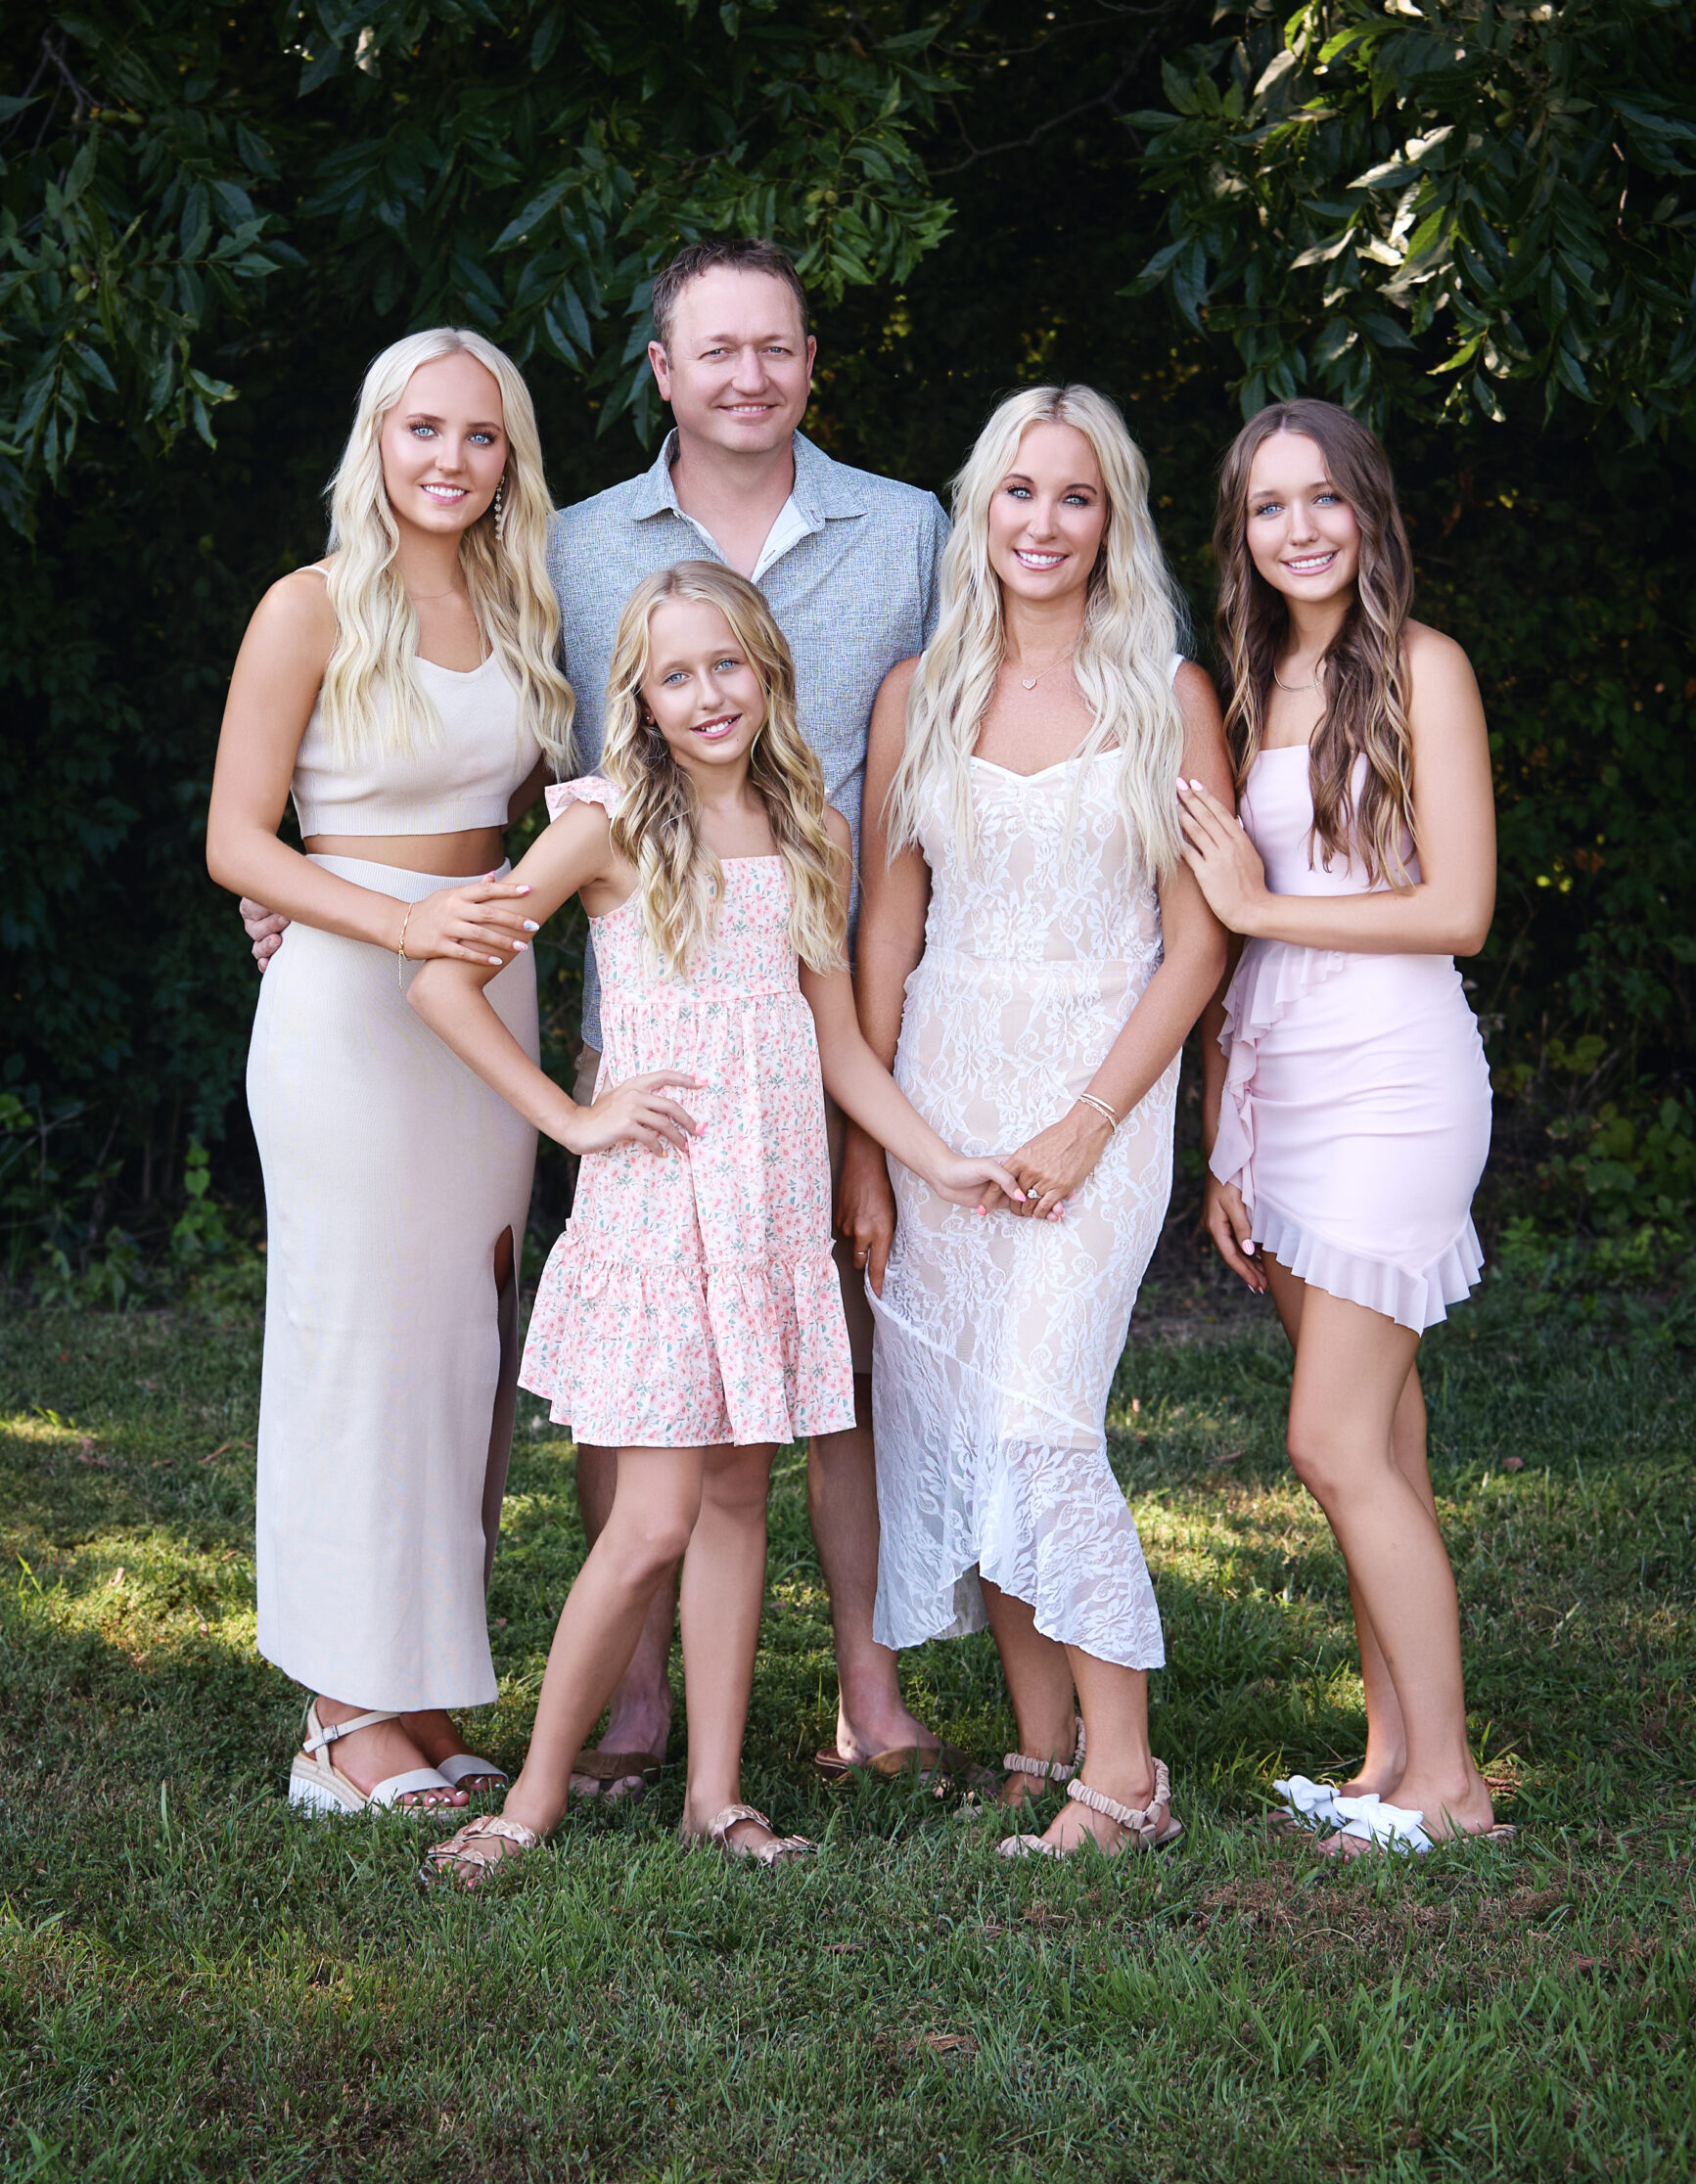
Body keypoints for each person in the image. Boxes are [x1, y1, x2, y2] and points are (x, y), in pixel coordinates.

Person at [241, 235, 956, 1795]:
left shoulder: (892, 535)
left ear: (812, 360)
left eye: (777, 346)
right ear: (662, 371)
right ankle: (501, 1709)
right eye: (717, 349)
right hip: (555, 1007)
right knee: (491, 1355)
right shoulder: (549, 554)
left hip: (783, 975)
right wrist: (336, 891)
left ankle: (844, 1691)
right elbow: (402, 802)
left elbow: (508, 785)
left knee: (676, 1349)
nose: (748, 374)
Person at [406, 565, 1022, 1884]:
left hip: (772, 1202)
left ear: (769, 672)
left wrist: (936, 1160)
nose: (706, 696)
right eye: (675, 674)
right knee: (650, 1520)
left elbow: (838, 1040)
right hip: (660, 1202)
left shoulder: (811, 828)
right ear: (638, 694)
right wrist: (567, 1121)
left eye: (726, 666)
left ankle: (716, 1796)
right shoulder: (609, 820)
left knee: (742, 1494)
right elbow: (444, 984)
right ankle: (526, 1803)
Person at [847, 386, 1229, 1857]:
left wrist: (1086, 1121)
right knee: (951, 1418)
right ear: (977, 510)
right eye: (1017, 493)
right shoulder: (916, 691)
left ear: (1110, 517)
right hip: (943, 1088)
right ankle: (1035, 1739)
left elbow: (1195, 947)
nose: (1042, 523)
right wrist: (869, 1143)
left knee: (1040, 1420)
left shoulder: (1166, 696)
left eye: (1074, 497)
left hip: (1101, 1087)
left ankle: (1125, 1783)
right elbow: (888, 930)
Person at [206, 329, 575, 1813]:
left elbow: (554, 808)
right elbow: (238, 841)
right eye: (422, 429)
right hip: (352, 1006)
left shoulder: (521, 601)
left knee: (458, 1352)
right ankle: (337, 1720)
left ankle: (415, 1694)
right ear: (376, 441)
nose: (449, 458)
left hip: (490, 994)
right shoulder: (307, 607)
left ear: (509, 461)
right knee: (354, 1343)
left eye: (479, 437)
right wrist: (391, 916)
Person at [1178, 397, 1505, 1858]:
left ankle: (1455, 1789)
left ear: (1364, 509)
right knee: (1387, 1434)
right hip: (1284, 1084)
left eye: (1321, 498)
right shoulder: (1262, 678)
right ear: (1239, 534)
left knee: (1327, 1440)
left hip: (1391, 1080)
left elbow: (1458, 910)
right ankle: (1387, 1761)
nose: (1297, 528)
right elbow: (1233, 953)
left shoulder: (1423, 669)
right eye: (1266, 506)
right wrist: (1223, 1136)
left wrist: (1263, 902)